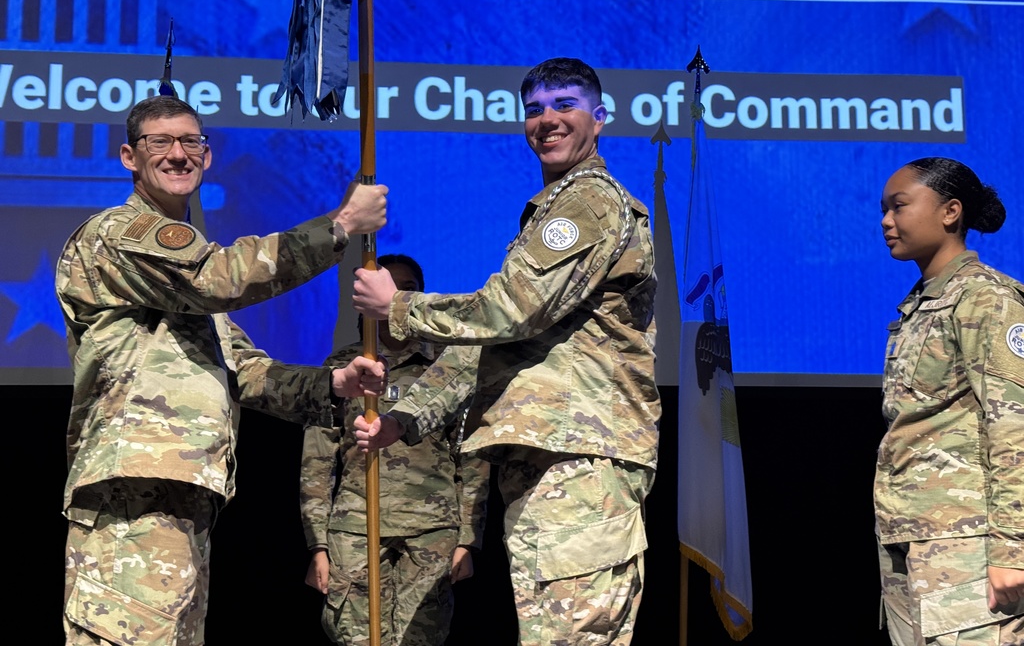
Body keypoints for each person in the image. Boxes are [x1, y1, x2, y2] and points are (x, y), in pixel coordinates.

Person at [56, 94, 389, 646]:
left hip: (183, 489)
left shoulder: (185, 291)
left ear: (208, 157)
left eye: (191, 142)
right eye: (159, 142)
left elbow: (246, 371)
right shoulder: (119, 234)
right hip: (134, 484)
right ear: (128, 157)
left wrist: (332, 384)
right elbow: (220, 277)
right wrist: (340, 225)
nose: (178, 154)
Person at [351, 57, 660, 645]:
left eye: (565, 105)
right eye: (535, 109)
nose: (547, 120)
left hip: (579, 455)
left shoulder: (588, 203)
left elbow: (508, 310)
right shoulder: (553, 208)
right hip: (550, 457)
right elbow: (497, 343)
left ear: (600, 118)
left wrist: (400, 307)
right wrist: (405, 419)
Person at [299, 253, 489, 646]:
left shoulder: (445, 367)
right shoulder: (342, 369)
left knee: (420, 637)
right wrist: (317, 543)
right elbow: (317, 460)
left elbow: (471, 457)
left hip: (431, 527)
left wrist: (468, 538)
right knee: (354, 635)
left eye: (409, 289)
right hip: (356, 526)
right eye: (390, 284)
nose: (398, 294)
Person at [876, 157, 1024, 645]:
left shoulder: (987, 299)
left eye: (899, 206)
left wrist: (1012, 550)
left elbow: (1013, 428)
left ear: (950, 212)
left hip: (969, 546)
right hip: (912, 536)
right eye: (883, 209)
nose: (886, 221)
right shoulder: (921, 304)